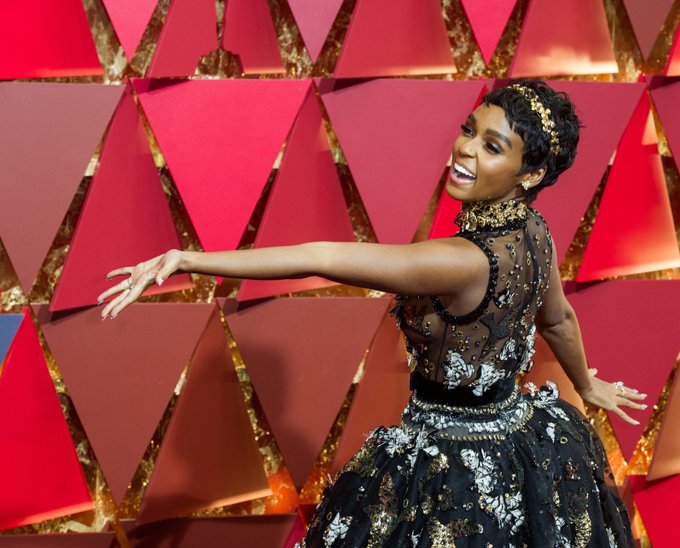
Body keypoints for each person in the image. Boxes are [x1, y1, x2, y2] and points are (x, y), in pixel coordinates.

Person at [98, 79, 646, 546]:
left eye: (492, 146)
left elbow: (321, 257)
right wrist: (586, 385)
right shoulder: (536, 233)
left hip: (450, 465)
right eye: (468, 129)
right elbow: (558, 320)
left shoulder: (459, 261)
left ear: (529, 174)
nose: (465, 149)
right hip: (521, 439)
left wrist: (188, 259)